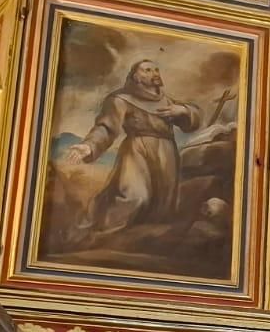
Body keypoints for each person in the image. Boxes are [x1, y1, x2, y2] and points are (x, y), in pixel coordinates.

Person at [57, 59, 200, 244]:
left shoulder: (166, 100)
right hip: (137, 152)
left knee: (161, 206)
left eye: (156, 69)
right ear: (136, 77)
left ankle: (136, 244)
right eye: (147, 70)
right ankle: (97, 238)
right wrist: (89, 146)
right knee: (134, 196)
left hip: (166, 153)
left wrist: (183, 111)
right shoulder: (121, 99)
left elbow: (192, 121)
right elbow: (106, 128)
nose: (154, 73)